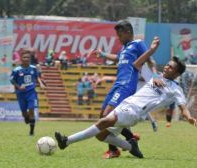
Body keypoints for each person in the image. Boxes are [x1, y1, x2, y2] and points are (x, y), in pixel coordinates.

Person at [55, 51, 197, 159]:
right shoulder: (156, 76)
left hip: (134, 111)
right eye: (167, 65)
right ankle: (130, 146)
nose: (166, 68)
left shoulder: (175, 89)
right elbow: (136, 64)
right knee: (101, 135)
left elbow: (183, 108)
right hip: (127, 104)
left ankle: (66, 141)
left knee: (103, 122)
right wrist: (154, 74)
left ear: (177, 73)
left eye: (171, 67)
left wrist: (190, 118)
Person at [93, 20, 160, 159]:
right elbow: (117, 58)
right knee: (102, 116)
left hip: (127, 84)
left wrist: (154, 75)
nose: (119, 38)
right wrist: (103, 54)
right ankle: (129, 139)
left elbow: (150, 60)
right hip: (117, 84)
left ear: (128, 33)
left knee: (108, 115)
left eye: (120, 35)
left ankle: (116, 148)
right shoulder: (124, 48)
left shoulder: (138, 44)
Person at [10, 49, 45, 136]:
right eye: (24, 57)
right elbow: (11, 80)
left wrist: (40, 83)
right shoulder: (17, 70)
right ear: (21, 58)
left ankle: (31, 132)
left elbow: (37, 77)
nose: (26, 58)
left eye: (28, 57)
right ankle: (26, 117)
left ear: (30, 58)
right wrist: (19, 86)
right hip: (21, 94)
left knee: (32, 110)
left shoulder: (33, 68)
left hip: (31, 92)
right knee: (24, 113)